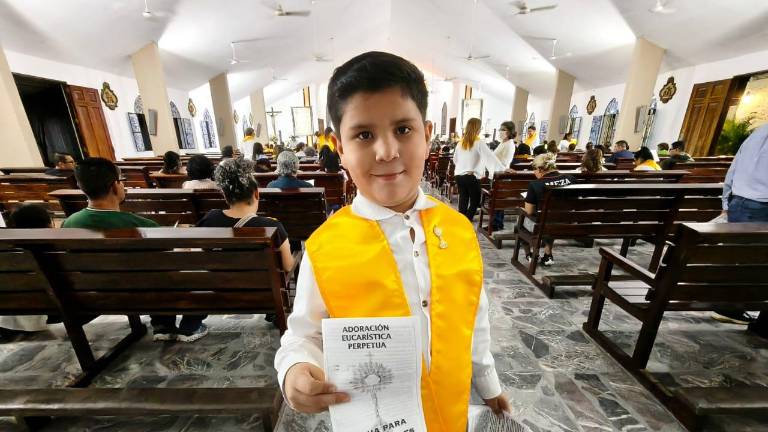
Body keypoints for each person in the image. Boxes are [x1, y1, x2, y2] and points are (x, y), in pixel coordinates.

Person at [275, 51, 508, 425]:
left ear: (427, 135)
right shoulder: (326, 247)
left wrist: (489, 383)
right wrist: (295, 369)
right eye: (364, 134)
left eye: (403, 129)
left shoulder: (459, 230)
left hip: (450, 413)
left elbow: (474, 318)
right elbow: (305, 335)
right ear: (341, 148)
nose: (387, 152)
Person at [63, 159, 206, 342]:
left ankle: (163, 325)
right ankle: (178, 324)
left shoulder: (70, 223)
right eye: (121, 181)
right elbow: (170, 258)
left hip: (91, 296)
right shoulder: (141, 225)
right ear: (115, 186)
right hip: (143, 295)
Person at [713, 124, 768, 335]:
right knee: (749, 261)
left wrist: (727, 200)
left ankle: (731, 304)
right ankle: (730, 305)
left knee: (740, 256)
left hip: (742, 198)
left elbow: (734, 168)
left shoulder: (759, 132)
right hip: (760, 202)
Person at [0, 204, 53, 340]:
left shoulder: (6, 252)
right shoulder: (53, 251)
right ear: (48, 225)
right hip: (51, 307)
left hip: (8, 310)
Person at [523, 153, 576, 266]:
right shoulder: (570, 178)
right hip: (567, 223)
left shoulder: (535, 184)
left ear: (541, 169)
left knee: (522, 220)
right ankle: (548, 254)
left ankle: (532, 254)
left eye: (534, 169)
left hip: (544, 225)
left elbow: (529, 211)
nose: (534, 172)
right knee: (552, 217)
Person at [453, 117, 505, 221]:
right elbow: (490, 157)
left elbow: (455, 159)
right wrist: (503, 168)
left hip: (459, 176)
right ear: (477, 129)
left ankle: (461, 220)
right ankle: (467, 220)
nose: (481, 130)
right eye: (480, 128)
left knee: (463, 199)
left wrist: (464, 167)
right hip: (470, 176)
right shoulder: (479, 142)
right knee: (475, 201)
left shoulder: (460, 143)